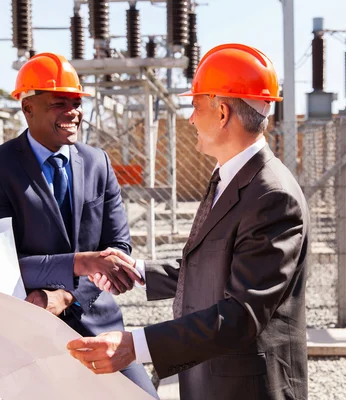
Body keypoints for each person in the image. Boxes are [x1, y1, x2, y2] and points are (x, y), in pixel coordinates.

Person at [67, 43, 310, 400]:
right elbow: (213, 269)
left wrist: (136, 345)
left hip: (248, 388)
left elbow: (242, 314)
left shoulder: (272, 196)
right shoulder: (231, 178)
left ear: (223, 112)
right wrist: (139, 272)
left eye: (196, 106)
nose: (191, 118)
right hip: (214, 377)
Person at [0, 52, 158, 399]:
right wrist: (79, 262)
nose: (73, 112)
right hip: (30, 332)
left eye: (76, 103)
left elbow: (118, 248)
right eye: (60, 103)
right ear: (28, 109)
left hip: (97, 324)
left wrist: (65, 295)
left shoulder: (97, 162)